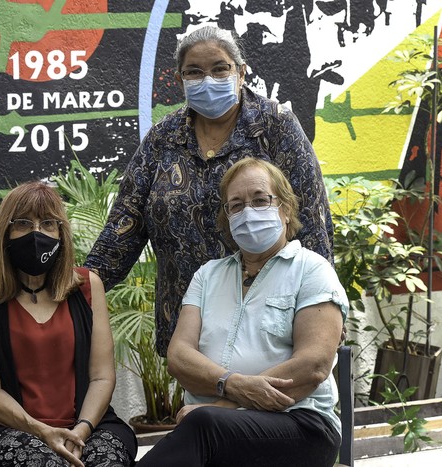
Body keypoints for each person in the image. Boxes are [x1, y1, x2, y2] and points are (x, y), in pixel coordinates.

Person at [84, 25, 333, 356]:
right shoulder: (163, 138)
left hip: (270, 317)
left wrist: (324, 312)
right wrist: (79, 283)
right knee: (203, 404)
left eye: (219, 69)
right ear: (181, 80)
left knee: (262, 401)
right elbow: (125, 222)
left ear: (241, 73)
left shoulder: (274, 126)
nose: (208, 79)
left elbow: (312, 218)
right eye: (194, 72)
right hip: (189, 320)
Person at [136, 158, 348, 467]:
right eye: (236, 205)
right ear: (227, 219)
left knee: (204, 426)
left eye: (260, 200)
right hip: (211, 432)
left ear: (286, 210)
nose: (248, 212)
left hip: (299, 427)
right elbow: (180, 356)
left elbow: (312, 366)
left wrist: (223, 404)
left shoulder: (312, 270)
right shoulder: (207, 276)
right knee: (205, 428)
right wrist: (232, 383)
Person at [0, 181, 137, 467]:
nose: (36, 233)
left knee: (107, 460)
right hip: (6, 429)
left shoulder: (88, 286)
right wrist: (41, 431)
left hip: (86, 426)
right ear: (6, 232)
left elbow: (101, 376)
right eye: (23, 224)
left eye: (48, 224)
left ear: (61, 233)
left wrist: (81, 430)